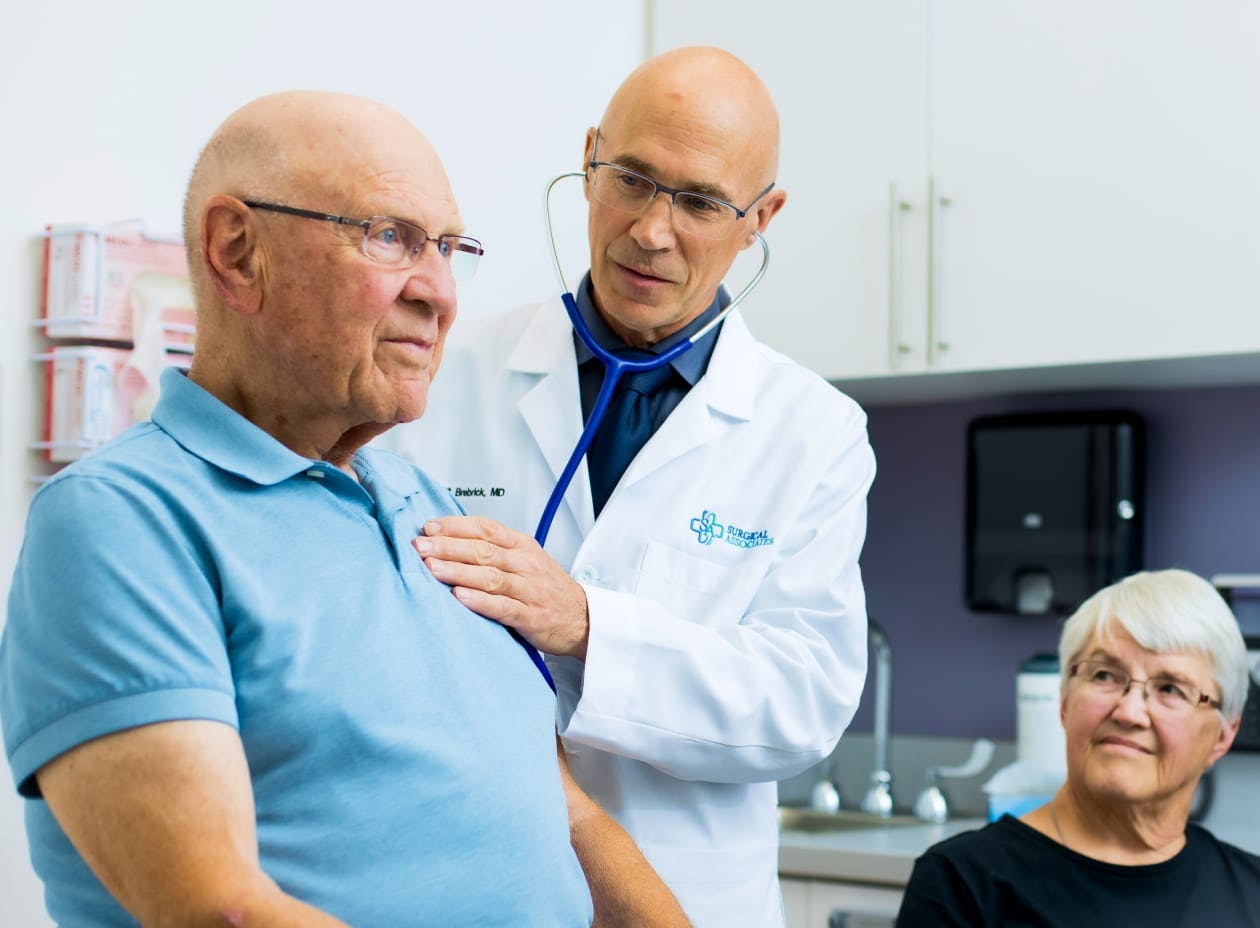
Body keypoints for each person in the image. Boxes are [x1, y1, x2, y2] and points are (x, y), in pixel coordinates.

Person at [0, 91, 691, 928]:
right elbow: (221, 909)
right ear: (237, 251)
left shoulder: (427, 508)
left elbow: (565, 814)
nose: (440, 293)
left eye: (450, 249)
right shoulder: (122, 522)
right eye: (390, 237)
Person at [387, 46, 876, 926]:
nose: (652, 230)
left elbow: (798, 708)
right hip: (467, 885)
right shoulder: (445, 374)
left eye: (699, 202)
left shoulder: (813, 433)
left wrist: (584, 625)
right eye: (633, 180)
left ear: (761, 217)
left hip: (690, 896)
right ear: (587, 163)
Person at [897, 568, 1260, 927]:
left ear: (1223, 735)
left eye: (1171, 689)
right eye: (1105, 675)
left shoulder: (1251, 894)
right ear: (1065, 700)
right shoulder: (963, 885)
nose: (1130, 712)